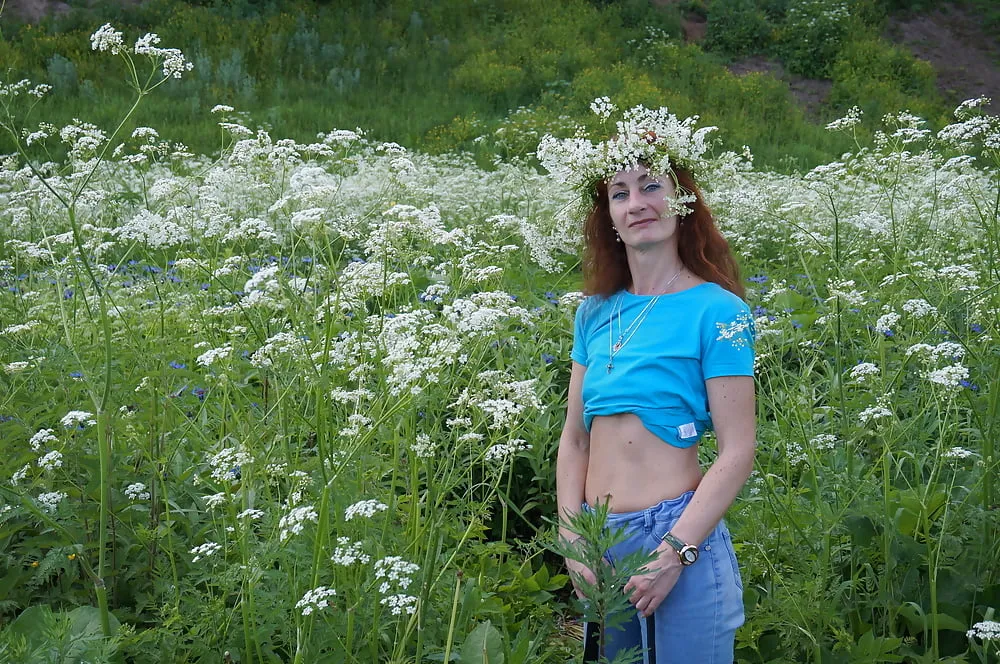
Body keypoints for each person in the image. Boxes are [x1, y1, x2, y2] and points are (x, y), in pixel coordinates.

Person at [540, 101, 756, 663]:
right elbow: (575, 440)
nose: (636, 204)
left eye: (651, 185)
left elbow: (738, 450)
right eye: (619, 192)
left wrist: (675, 552)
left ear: (681, 201)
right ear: (607, 217)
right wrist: (572, 541)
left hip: (676, 532)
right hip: (600, 539)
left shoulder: (719, 309)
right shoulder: (593, 314)